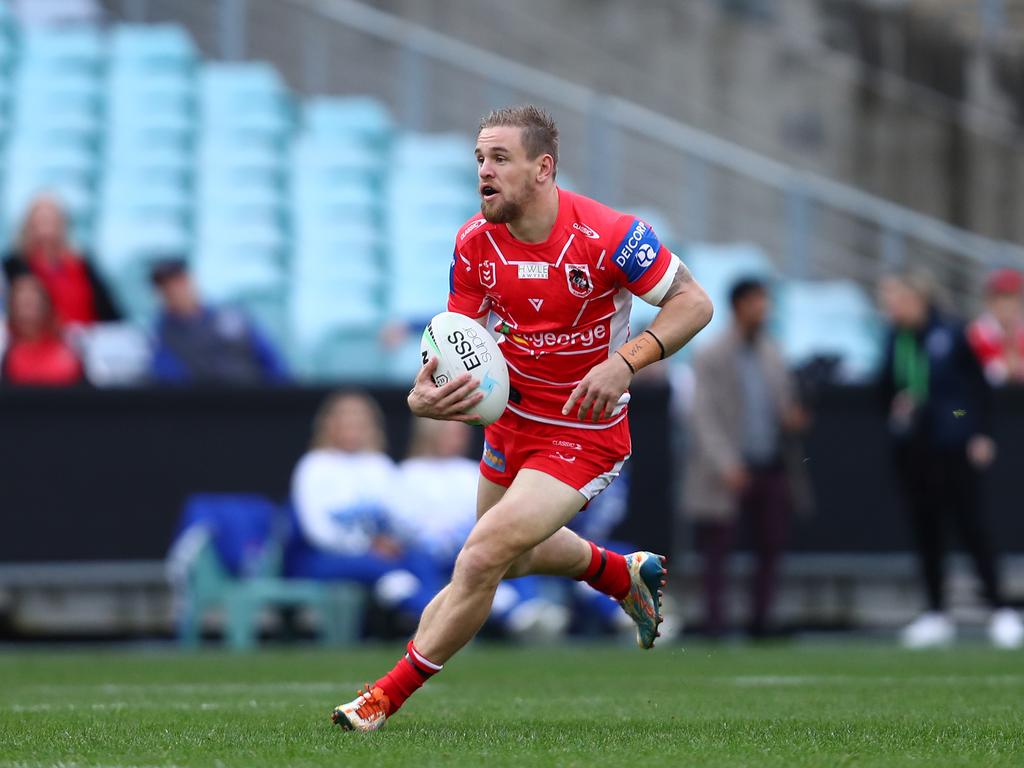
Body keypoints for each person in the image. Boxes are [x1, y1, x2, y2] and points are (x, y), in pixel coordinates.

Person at [331, 105, 713, 732]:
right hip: (511, 425)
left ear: (544, 168)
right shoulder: (473, 243)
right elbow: (455, 345)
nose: (484, 171)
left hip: (583, 433)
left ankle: (381, 699)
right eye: (479, 159)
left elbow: (693, 302)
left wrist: (625, 362)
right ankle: (620, 571)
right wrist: (421, 396)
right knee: (508, 558)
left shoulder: (609, 234)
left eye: (499, 159)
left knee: (480, 556)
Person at [878, 270, 1023, 650]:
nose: (893, 308)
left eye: (900, 300)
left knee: (973, 528)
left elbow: (973, 393)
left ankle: (1000, 609)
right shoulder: (896, 339)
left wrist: (973, 429)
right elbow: (884, 390)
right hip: (914, 450)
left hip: (953, 444)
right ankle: (935, 612)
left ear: (920, 299)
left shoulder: (953, 334)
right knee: (926, 531)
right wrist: (899, 405)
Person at [683, 277, 810, 639]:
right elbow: (702, 415)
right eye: (757, 302)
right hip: (727, 467)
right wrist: (725, 463)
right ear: (739, 305)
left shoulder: (772, 351)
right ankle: (715, 622)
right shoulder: (711, 353)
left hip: (769, 461)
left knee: (770, 544)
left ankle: (761, 619)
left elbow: (782, 404)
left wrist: (793, 418)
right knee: (717, 550)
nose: (764, 309)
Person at [395, 418, 570, 639]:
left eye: (461, 433)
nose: (459, 438)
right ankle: (430, 626)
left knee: (513, 548)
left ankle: (528, 609)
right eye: (451, 433)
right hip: (425, 550)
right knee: (420, 563)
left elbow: (486, 510)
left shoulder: (473, 470)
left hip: (469, 541)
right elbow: (402, 516)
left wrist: (465, 533)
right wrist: (433, 536)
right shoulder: (410, 472)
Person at [285, 391, 444, 624]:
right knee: (383, 568)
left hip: (379, 554)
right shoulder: (313, 466)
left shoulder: (380, 466)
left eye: (359, 423)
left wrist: (393, 540)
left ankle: (445, 618)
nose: (353, 429)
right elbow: (317, 532)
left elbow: (403, 518)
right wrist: (367, 546)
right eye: (345, 422)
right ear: (329, 425)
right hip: (320, 559)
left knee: (420, 560)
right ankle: (434, 622)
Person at [149, 258, 289, 385]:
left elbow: (271, 362)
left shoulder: (232, 317)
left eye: (178, 282)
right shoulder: (162, 335)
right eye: (165, 286)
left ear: (189, 281)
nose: (174, 290)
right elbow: (169, 379)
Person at [2, 195, 121, 326]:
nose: (47, 226)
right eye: (41, 219)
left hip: (86, 336)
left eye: (52, 219)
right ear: (29, 224)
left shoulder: (81, 264)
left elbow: (109, 311)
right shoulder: (14, 265)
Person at [1, 274, 85, 386]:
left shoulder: (70, 351)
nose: (27, 314)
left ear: (47, 307)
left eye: (32, 305)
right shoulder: (6, 354)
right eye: (21, 306)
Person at [967, 268, 1024, 386]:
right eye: (1003, 298)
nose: (1008, 306)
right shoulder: (979, 331)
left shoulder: (1019, 330)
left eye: (1013, 298)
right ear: (992, 301)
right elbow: (993, 375)